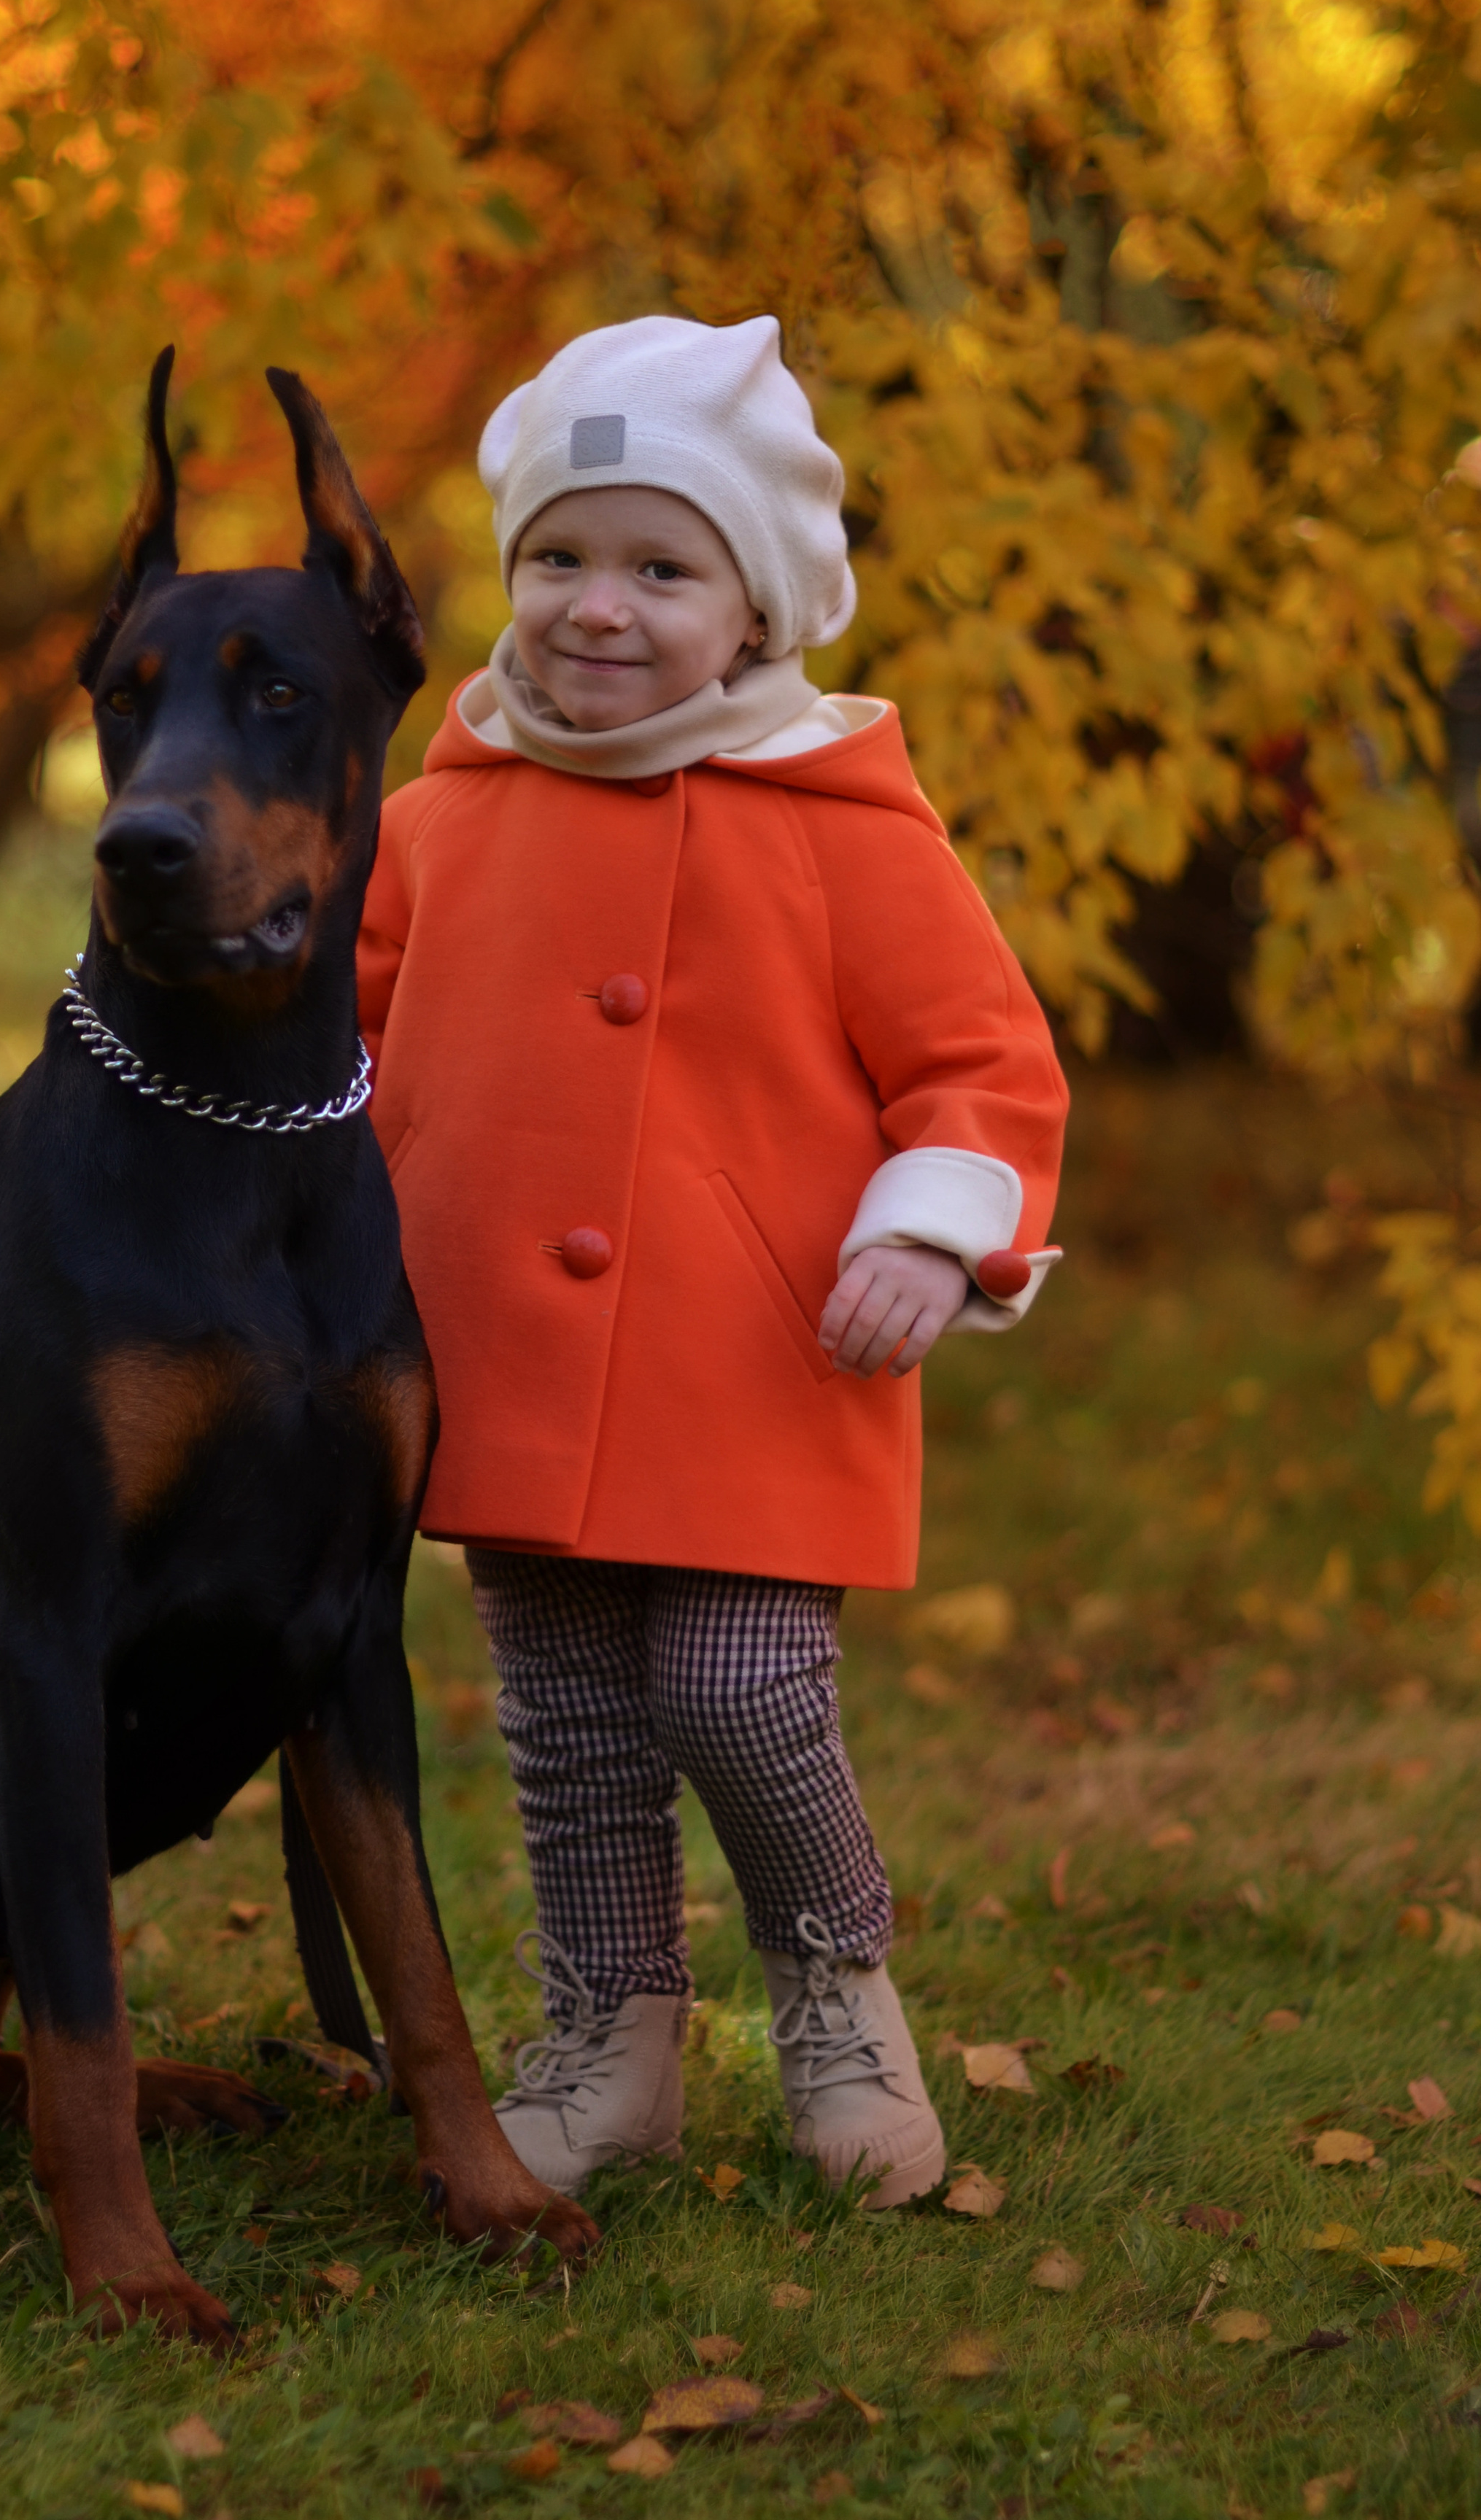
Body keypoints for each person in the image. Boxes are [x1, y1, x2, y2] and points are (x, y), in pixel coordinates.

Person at [356, 314, 1067, 2204]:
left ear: (754, 609)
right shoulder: (439, 815)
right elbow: (338, 1040)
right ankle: (614, 2029)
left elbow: (984, 1068)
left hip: (758, 1350)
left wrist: (934, 1227)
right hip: (498, 1343)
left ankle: (836, 1976)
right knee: (572, 1715)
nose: (601, 607)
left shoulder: (841, 822)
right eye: (560, 558)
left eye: (662, 567)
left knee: (742, 1685)